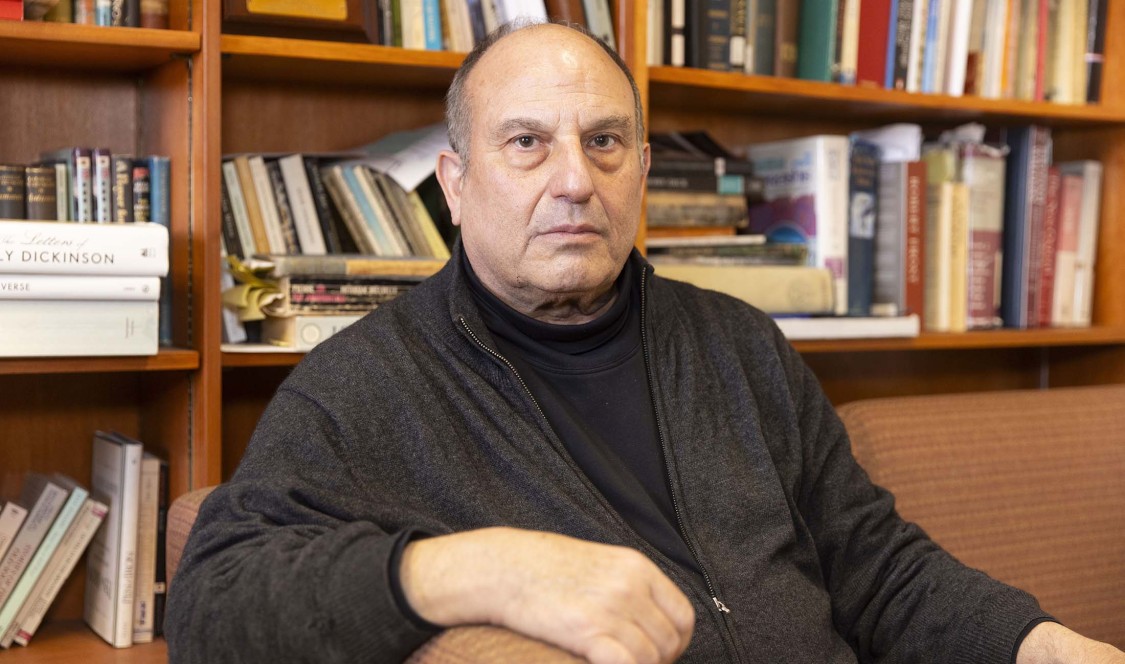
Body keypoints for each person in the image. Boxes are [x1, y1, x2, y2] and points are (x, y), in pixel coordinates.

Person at [166, 21, 1125, 664]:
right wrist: (474, 566)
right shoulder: (368, 383)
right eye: (527, 143)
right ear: (455, 186)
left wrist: (1037, 642)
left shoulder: (738, 343)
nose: (575, 180)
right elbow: (212, 603)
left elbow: (872, 565)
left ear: (639, 171)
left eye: (606, 141)